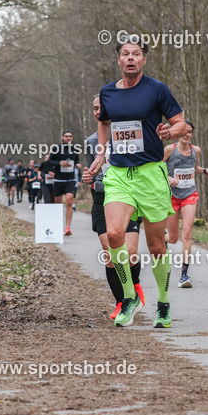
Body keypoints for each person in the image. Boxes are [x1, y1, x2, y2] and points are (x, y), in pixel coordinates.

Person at [85, 36, 188, 328]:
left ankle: (164, 304)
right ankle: (129, 297)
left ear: (143, 60)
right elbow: (104, 123)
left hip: (151, 173)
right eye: (126, 54)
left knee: (156, 246)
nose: (131, 58)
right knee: (114, 235)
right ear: (119, 60)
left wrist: (171, 131)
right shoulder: (107, 93)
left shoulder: (157, 90)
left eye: (137, 54)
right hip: (118, 174)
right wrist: (101, 153)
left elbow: (181, 122)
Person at [86, 107, 147, 319]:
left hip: (126, 198)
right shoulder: (91, 142)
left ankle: (135, 285)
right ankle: (122, 302)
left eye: (101, 108)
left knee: (129, 253)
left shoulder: (131, 133)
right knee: (110, 253)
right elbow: (91, 171)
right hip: (102, 199)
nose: (98, 112)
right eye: (94, 108)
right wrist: (89, 177)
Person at [164, 121, 208, 288]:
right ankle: (161, 238)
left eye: (190, 132)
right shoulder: (169, 150)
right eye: (184, 132)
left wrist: (205, 170)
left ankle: (184, 275)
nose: (186, 135)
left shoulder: (196, 150)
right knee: (173, 238)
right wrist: (169, 178)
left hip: (189, 195)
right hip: (171, 196)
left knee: (187, 233)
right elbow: (157, 167)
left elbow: (194, 169)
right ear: (178, 133)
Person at [46, 131, 82, 236]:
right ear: (62, 137)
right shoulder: (56, 148)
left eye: (70, 136)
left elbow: (77, 161)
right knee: (58, 203)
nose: (68, 138)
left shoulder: (74, 149)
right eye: (66, 136)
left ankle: (67, 227)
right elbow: (49, 161)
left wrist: (78, 165)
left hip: (70, 180)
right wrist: (59, 163)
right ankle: (57, 225)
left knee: (69, 201)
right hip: (58, 179)